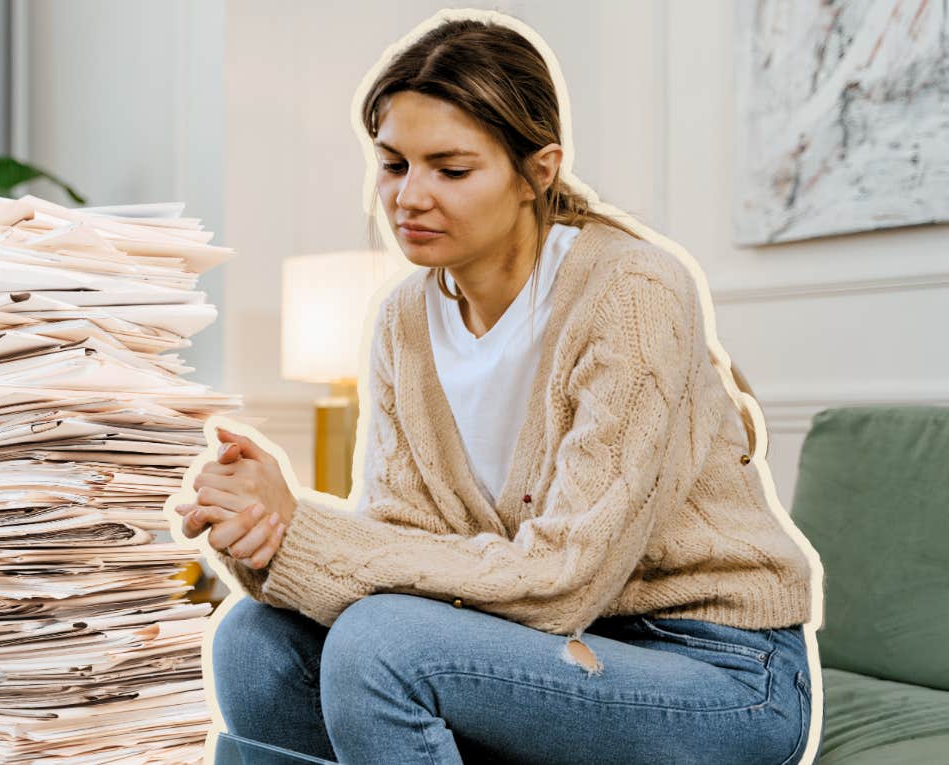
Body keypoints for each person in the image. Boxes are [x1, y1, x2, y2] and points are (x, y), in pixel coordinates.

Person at [174, 13, 820, 765]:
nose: (409, 197)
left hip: (720, 670)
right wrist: (264, 535)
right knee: (255, 641)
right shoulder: (402, 320)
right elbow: (401, 551)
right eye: (393, 164)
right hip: (533, 656)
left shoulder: (634, 291)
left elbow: (563, 579)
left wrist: (306, 528)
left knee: (380, 645)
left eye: (450, 169)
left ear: (537, 170)